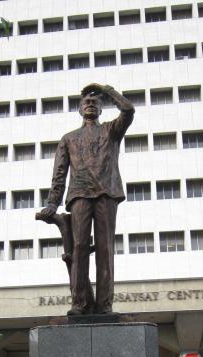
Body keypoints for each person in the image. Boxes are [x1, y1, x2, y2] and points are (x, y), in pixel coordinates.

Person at [40, 83, 135, 315]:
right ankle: (80, 303)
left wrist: (107, 90)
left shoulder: (112, 130)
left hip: (106, 193)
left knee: (105, 249)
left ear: (102, 109)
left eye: (95, 102)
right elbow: (59, 174)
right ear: (80, 110)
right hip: (79, 194)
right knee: (80, 247)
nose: (91, 104)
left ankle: (104, 304)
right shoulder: (69, 138)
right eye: (86, 103)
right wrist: (53, 202)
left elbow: (129, 110)